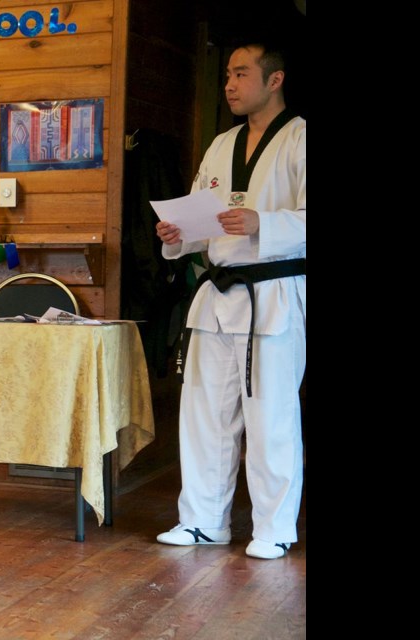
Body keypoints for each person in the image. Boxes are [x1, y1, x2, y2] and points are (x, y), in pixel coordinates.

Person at [154, 41, 305, 560]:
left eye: (241, 74)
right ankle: (201, 521)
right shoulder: (220, 145)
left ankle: (274, 528)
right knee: (204, 414)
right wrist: (177, 233)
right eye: (226, 75)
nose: (229, 85)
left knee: (271, 417)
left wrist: (267, 223)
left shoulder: (301, 139)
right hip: (218, 295)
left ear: (275, 79)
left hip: (273, 296)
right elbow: (201, 222)